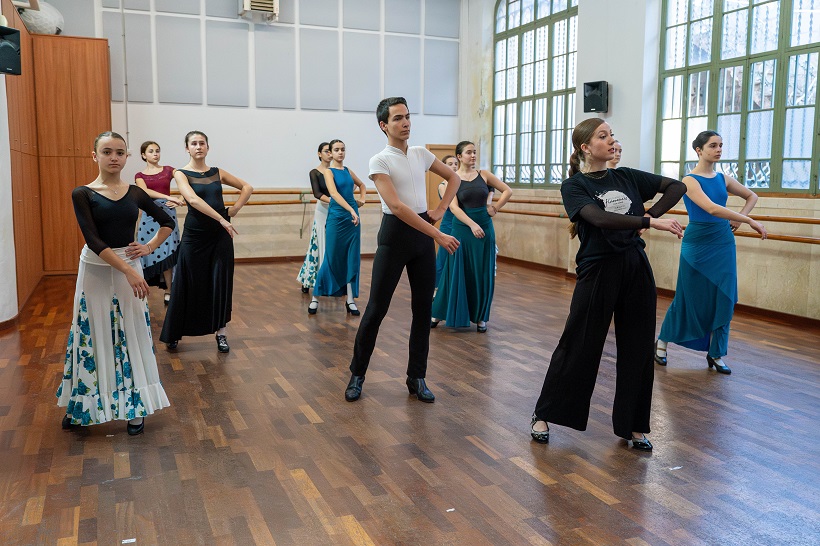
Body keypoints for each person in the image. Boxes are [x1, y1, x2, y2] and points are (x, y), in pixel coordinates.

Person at [530, 118, 686, 451]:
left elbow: (677, 187)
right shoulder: (574, 186)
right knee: (579, 343)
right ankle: (545, 413)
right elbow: (598, 219)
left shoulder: (626, 176)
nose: (611, 141)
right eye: (603, 136)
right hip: (598, 269)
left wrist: (649, 217)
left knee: (639, 346)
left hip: (634, 266)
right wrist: (649, 220)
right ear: (585, 147)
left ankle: (634, 425)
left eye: (612, 134)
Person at [344, 97, 461, 403]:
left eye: (407, 117)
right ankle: (357, 374)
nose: (406, 122)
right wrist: (437, 232)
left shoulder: (421, 154)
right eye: (398, 118)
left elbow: (454, 177)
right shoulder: (379, 160)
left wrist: (440, 209)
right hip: (396, 236)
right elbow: (395, 206)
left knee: (422, 311)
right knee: (376, 310)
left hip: (422, 234)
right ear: (384, 125)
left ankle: (417, 377)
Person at [58, 131, 174, 436]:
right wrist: (130, 271)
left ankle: (135, 408)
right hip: (97, 268)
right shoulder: (82, 193)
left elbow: (168, 222)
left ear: (126, 157)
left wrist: (148, 248)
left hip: (129, 265)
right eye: (107, 152)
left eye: (120, 152)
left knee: (133, 331)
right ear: (95, 156)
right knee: (90, 332)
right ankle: (81, 404)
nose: (114, 157)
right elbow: (93, 240)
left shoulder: (136, 193)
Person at [655, 131, 767, 375]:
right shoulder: (689, 180)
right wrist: (747, 219)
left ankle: (716, 353)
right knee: (688, 297)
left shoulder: (723, 178)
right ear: (699, 150)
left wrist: (738, 220)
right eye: (713, 145)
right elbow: (711, 208)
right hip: (697, 244)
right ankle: (662, 342)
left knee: (725, 297)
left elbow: (752, 195)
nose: (718, 149)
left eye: (721, 145)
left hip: (723, 242)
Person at [159, 131, 253, 353]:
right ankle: (174, 333)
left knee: (220, 281)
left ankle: (221, 333)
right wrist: (222, 218)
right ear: (187, 148)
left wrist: (235, 209)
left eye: (202, 143)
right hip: (196, 234)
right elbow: (192, 199)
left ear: (208, 148)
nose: (198, 146)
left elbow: (247, 187)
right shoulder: (180, 173)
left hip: (220, 235)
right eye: (194, 143)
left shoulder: (217, 172)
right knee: (186, 281)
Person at [431, 141, 512, 332]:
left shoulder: (484, 175)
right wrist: (472, 224)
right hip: (462, 229)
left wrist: (495, 208)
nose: (473, 155)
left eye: (475, 152)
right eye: (469, 152)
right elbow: (453, 208)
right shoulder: (452, 179)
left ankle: (481, 317)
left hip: (484, 228)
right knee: (455, 271)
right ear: (459, 156)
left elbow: (508, 191)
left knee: (482, 272)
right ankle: (438, 313)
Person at [310, 139, 367, 315]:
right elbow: (333, 194)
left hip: (352, 218)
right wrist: (351, 209)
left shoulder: (348, 171)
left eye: (343, 149)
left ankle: (350, 300)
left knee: (352, 258)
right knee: (331, 257)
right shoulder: (328, 172)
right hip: (338, 216)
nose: (340, 152)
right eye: (336, 150)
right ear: (331, 153)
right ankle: (315, 297)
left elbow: (363, 185)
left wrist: (362, 200)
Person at [135, 141, 185, 305]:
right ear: (144, 155)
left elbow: (187, 182)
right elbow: (145, 191)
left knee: (168, 252)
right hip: (149, 215)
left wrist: (182, 198)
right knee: (144, 253)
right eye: (151, 151)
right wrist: (168, 197)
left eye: (157, 150)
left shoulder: (169, 170)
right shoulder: (139, 175)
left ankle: (170, 291)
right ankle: (141, 294)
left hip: (167, 214)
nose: (155, 153)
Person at [297, 142, 333, 293]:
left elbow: (350, 185)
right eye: (326, 151)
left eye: (331, 151)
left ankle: (331, 280)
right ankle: (310, 279)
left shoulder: (336, 171)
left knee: (333, 245)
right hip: (323, 210)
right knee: (319, 244)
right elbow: (317, 193)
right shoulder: (315, 172)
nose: (330, 154)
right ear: (319, 154)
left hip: (336, 211)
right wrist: (335, 201)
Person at [434, 154, 458, 290]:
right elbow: (450, 204)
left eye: (455, 163)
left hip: (460, 224)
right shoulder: (443, 185)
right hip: (448, 224)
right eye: (450, 164)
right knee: (442, 258)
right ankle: (436, 289)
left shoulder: (460, 182)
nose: (454, 166)